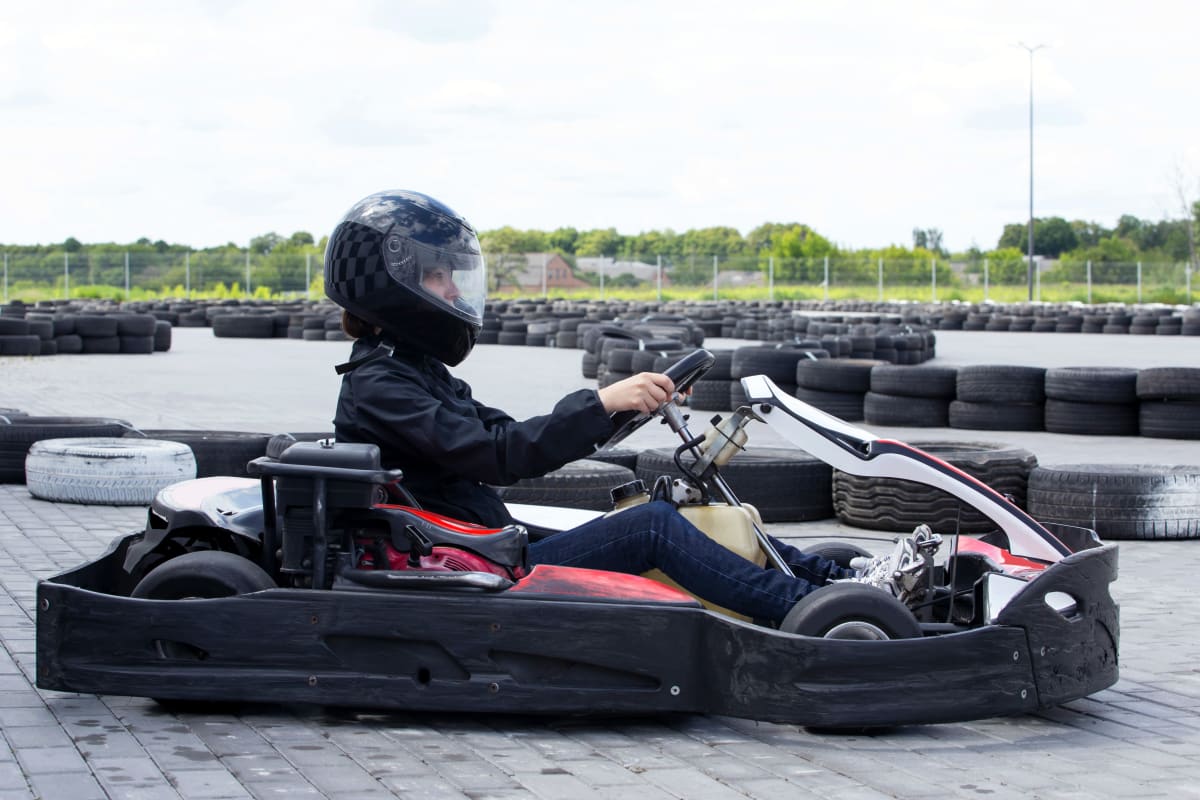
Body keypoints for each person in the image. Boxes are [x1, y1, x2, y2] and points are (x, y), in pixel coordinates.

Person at [326, 189, 905, 626]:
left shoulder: (411, 372)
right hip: (475, 565)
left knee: (677, 505)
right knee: (652, 526)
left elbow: (507, 433)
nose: (452, 291)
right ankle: (817, 613)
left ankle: (843, 578)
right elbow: (497, 456)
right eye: (437, 276)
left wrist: (611, 410)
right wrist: (602, 402)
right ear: (389, 284)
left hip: (480, 541)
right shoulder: (380, 386)